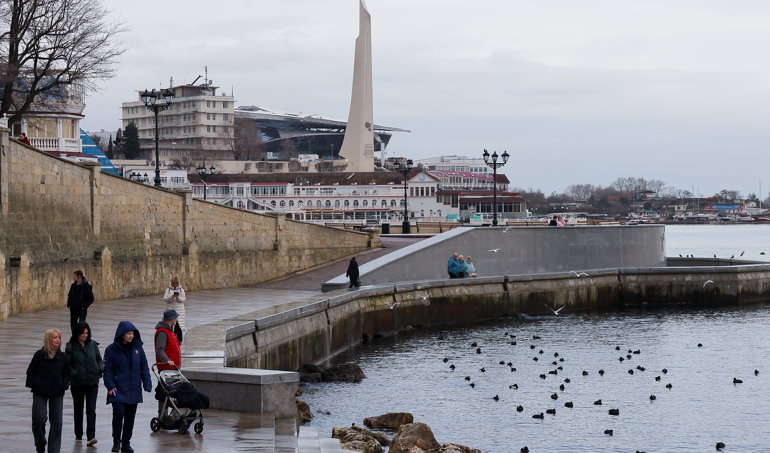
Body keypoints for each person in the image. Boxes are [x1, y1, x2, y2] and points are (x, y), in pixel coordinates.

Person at [103, 321, 151, 453]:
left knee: (130, 418)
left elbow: (144, 366)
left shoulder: (138, 349)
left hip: (134, 388)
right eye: (129, 333)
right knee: (118, 414)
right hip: (117, 389)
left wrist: (147, 382)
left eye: (133, 334)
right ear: (122, 334)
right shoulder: (111, 350)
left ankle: (126, 443)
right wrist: (110, 385)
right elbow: (107, 370)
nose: (131, 336)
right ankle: (116, 442)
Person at [26, 328, 69, 453]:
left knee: (57, 423)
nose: (58, 340)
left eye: (59, 338)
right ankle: (40, 443)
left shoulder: (63, 357)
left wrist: (64, 384)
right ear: (48, 339)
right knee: (39, 419)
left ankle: (53, 450)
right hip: (40, 392)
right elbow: (31, 372)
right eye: (55, 337)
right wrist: (34, 384)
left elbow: (67, 374)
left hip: (57, 392)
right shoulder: (39, 355)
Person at [65, 322, 102, 446]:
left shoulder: (93, 345)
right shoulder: (70, 347)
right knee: (78, 410)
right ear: (77, 333)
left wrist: (99, 369)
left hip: (92, 382)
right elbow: (67, 365)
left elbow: (99, 360)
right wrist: (74, 374)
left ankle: (91, 436)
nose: (84, 335)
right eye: (82, 333)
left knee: (91, 409)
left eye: (86, 333)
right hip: (77, 384)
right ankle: (78, 434)